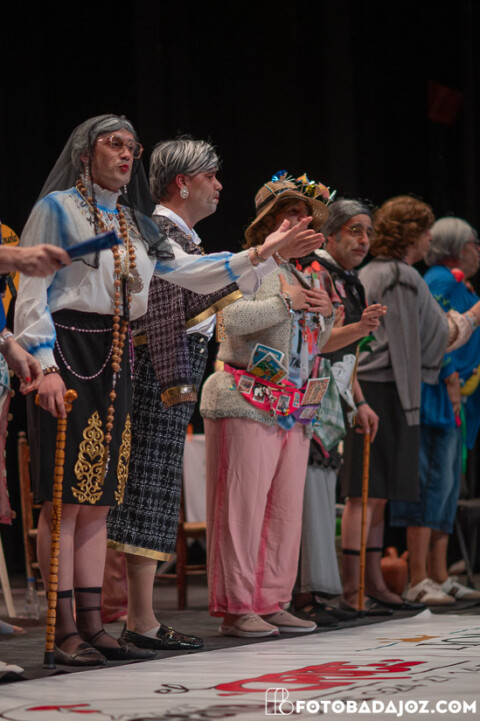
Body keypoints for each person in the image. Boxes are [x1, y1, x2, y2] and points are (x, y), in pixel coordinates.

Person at [13, 115, 323, 667]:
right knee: (66, 498)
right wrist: (43, 365)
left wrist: (262, 253)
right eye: (114, 144)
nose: (126, 154)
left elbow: (189, 271)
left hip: (116, 353)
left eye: (132, 147)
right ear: (85, 153)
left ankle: (93, 625)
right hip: (69, 346)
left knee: (99, 500)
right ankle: (63, 630)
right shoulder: (57, 209)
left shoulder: (132, 220)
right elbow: (33, 290)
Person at [106, 137, 245, 650]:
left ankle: (140, 617)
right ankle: (139, 619)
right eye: (211, 175)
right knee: (147, 490)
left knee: (155, 492)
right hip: (158, 375)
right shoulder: (161, 232)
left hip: (168, 373)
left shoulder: (180, 236)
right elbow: (168, 314)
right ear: (182, 183)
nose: (219, 185)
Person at [200, 174, 335, 637]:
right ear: (269, 223)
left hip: (291, 406)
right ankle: (237, 606)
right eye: (292, 213)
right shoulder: (248, 266)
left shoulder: (303, 274)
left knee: (283, 512)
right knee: (241, 510)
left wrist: (325, 314)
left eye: (306, 216)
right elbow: (226, 321)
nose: (302, 221)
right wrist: (285, 302)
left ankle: (271, 600)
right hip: (243, 398)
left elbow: (311, 345)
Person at [340, 195, 480, 612]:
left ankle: (373, 584)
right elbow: (413, 344)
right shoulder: (398, 276)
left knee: (379, 494)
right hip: (387, 391)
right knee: (368, 494)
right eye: (425, 231)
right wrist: (472, 317)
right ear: (413, 235)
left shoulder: (388, 273)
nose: (429, 240)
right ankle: (357, 589)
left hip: (387, 388)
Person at [293, 199, 387, 623]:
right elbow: (321, 340)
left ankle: (315, 591)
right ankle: (303, 594)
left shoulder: (351, 281)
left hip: (335, 396)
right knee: (308, 491)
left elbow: (349, 353)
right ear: (329, 234)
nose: (364, 240)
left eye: (368, 232)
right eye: (354, 230)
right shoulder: (317, 272)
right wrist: (359, 328)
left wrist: (360, 401)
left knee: (321, 490)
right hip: (309, 393)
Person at [390, 217, 480, 605]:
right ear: (457, 248)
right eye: (474, 243)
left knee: (446, 486)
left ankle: (440, 575)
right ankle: (418, 577)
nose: (478, 251)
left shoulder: (457, 283)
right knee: (428, 482)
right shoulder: (439, 281)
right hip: (436, 394)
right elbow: (434, 336)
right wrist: (449, 375)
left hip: (456, 397)